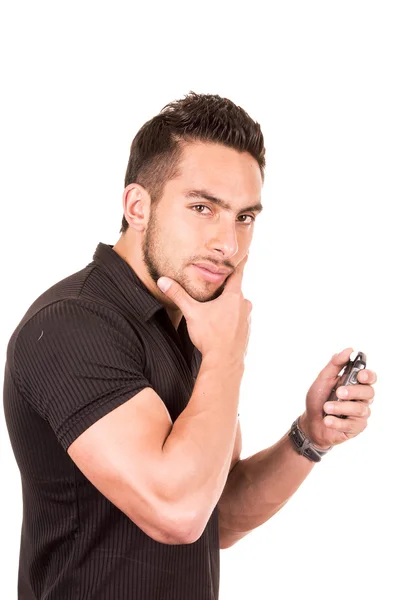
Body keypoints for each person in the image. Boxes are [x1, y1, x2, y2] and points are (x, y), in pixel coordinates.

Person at [3, 92, 376, 600]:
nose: (230, 244)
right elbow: (175, 512)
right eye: (204, 208)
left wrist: (309, 437)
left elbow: (212, 518)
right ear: (137, 206)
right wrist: (226, 355)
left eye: (245, 217)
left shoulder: (193, 326)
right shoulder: (72, 325)